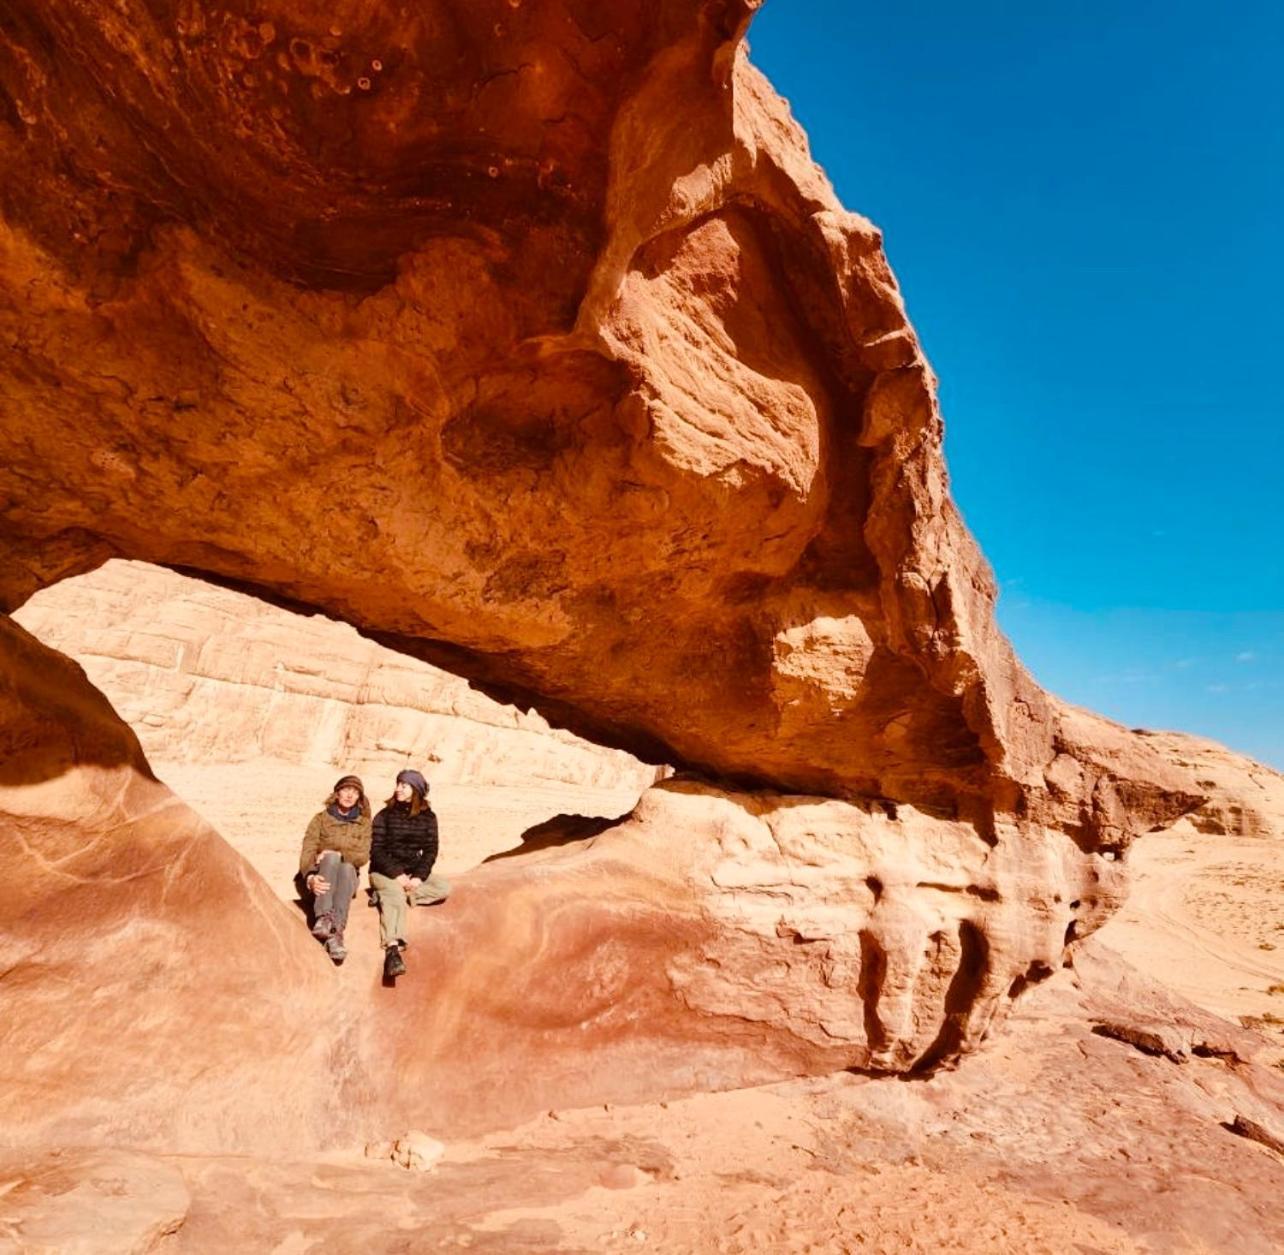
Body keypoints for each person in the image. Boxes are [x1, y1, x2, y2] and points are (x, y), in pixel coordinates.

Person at [369, 768, 450, 979]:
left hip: (412, 871)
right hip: (384, 871)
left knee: (443, 888)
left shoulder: (428, 817)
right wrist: (396, 875)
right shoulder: (384, 815)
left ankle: (389, 896)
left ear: (416, 790)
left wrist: (418, 878)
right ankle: (393, 950)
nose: (398, 789)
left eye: (404, 785)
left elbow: (431, 850)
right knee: (395, 895)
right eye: (398, 784)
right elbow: (375, 850)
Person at [298, 774, 372, 965]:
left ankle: (335, 929)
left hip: (347, 877)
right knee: (329, 859)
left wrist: (340, 854)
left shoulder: (364, 824)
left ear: (359, 798)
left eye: (355, 792)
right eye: (346, 790)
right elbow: (308, 849)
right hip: (321, 873)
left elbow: (363, 856)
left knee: (347, 867)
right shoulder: (320, 819)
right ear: (337, 793)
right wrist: (310, 876)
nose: (350, 795)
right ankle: (324, 919)